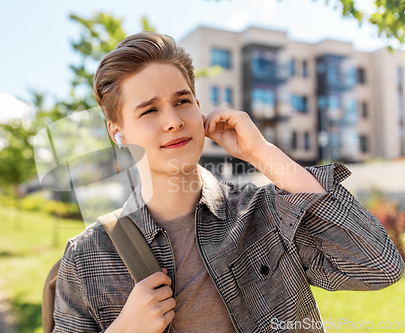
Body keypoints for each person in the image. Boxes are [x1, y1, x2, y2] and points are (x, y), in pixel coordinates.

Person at [52, 31, 405, 333]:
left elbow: (379, 267)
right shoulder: (86, 256)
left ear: (199, 107)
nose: (173, 120)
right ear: (117, 132)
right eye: (149, 110)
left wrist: (263, 153)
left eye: (182, 101)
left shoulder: (265, 214)